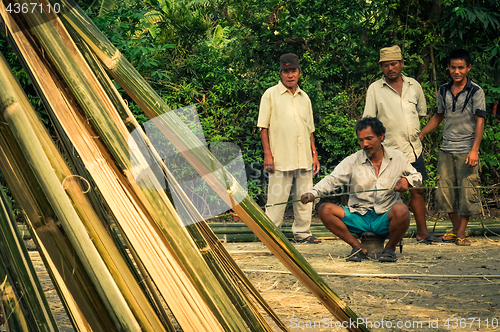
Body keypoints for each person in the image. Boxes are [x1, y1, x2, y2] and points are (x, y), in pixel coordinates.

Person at [301, 117, 422, 262]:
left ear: (381, 136)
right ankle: (357, 247)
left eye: (369, 138)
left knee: (402, 211)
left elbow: (417, 177)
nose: (365, 144)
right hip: (358, 215)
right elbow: (332, 179)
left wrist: (406, 181)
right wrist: (313, 193)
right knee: (324, 209)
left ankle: (390, 248)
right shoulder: (352, 160)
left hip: (385, 216)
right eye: (361, 140)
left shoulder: (398, 157)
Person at [363, 45, 441, 244]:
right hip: (388, 151)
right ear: (381, 67)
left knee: (418, 189)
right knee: (385, 194)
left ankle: (422, 232)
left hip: (413, 150)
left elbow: (420, 113)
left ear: (401, 64)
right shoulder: (375, 89)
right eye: (386, 65)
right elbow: (369, 121)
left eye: (394, 64)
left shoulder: (413, 85)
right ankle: (386, 236)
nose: (391, 68)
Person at [419, 49, 486, 246]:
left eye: (461, 68)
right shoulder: (443, 90)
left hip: (467, 148)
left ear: (468, 68)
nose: (456, 71)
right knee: (445, 191)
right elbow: (438, 116)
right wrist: (423, 132)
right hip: (446, 147)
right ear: (448, 67)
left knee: (468, 191)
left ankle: (461, 232)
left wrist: (474, 150)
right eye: (453, 67)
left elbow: (480, 122)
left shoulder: (476, 91)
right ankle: (456, 229)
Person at [257, 53, 321, 243]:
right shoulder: (270, 95)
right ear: (281, 73)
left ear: (299, 72)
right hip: (280, 156)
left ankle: (302, 234)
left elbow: (310, 129)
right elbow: (263, 127)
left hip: (304, 157)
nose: (290, 75)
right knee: (276, 199)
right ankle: (271, 237)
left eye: (293, 70)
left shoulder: (305, 98)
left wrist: (314, 154)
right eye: (286, 71)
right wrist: (268, 155)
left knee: (305, 198)